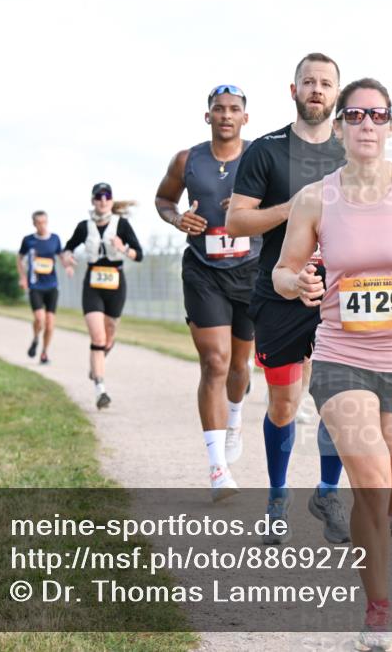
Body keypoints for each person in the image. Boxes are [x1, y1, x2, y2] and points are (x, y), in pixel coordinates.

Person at [274, 77, 392, 652]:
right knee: (373, 485)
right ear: (337, 127)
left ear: (390, 126)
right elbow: (283, 273)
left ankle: (372, 535)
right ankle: (377, 608)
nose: (364, 125)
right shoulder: (315, 198)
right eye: (353, 115)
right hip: (342, 358)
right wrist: (300, 281)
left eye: (376, 116)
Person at [226, 52, 349, 545]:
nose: (317, 89)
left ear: (336, 93)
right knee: (283, 404)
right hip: (278, 292)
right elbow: (237, 221)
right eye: (308, 82)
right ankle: (278, 495)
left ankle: (327, 491)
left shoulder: (351, 153)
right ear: (293, 90)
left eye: (326, 83)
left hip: (339, 293)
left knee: (340, 400)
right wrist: (294, 209)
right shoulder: (267, 150)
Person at [155, 84, 258, 501]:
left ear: (245, 118)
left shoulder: (260, 157)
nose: (226, 115)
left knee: (240, 367)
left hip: (250, 271)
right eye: (219, 109)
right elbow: (164, 199)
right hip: (203, 270)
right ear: (208, 116)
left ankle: (234, 418)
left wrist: (250, 210)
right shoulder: (187, 159)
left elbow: (288, 205)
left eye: (234, 109)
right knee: (214, 363)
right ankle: (218, 468)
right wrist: (177, 219)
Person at [62, 183, 143, 410]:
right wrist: (67, 259)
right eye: (98, 196)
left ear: (111, 200)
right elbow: (67, 248)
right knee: (97, 339)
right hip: (93, 284)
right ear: (93, 200)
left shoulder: (122, 225)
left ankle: (96, 365)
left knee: (108, 337)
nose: (103, 200)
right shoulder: (84, 226)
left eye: (106, 196)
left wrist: (123, 248)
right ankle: (100, 389)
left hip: (116, 283)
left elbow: (139, 255)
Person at [18, 210, 65, 364]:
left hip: (52, 286)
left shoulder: (55, 239)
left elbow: (61, 256)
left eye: (44, 222)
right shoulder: (28, 240)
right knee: (39, 319)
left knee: (50, 324)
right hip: (35, 286)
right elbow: (19, 258)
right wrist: (23, 277)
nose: (42, 225)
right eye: (39, 223)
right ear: (34, 224)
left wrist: (68, 265)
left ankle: (44, 353)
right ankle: (36, 338)